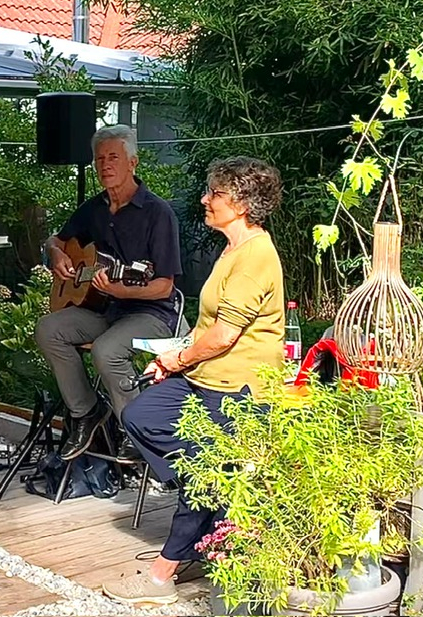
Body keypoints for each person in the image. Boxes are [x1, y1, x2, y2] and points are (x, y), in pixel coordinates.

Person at [102, 155, 285, 605]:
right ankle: (213, 510)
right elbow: (209, 327)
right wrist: (173, 360)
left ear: (241, 204)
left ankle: (161, 576)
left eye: (215, 193)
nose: (205, 199)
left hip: (238, 389)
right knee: (142, 416)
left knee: (205, 474)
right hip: (204, 378)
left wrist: (177, 359)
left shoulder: (255, 257)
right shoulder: (231, 249)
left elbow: (224, 336)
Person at [35, 124, 182, 461]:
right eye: (99, 159)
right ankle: (87, 412)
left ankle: (136, 430)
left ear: (133, 162)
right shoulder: (94, 209)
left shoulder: (158, 213)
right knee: (49, 328)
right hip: (107, 310)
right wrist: (55, 253)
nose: (105, 165)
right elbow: (56, 240)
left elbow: (164, 285)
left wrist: (121, 288)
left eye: (113, 157)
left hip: (152, 314)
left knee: (106, 350)